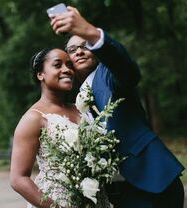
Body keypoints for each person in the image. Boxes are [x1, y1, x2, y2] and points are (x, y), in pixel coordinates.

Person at [50, 6, 185, 208]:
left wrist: (93, 34)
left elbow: (125, 67)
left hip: (151, 179)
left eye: (85, 45)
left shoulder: (109, 74)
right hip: (117, 193)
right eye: (72, 49)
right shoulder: (74, 103)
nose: (79, 50)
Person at [10, 48, 110, 208]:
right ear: (40, 74)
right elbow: (18, 179)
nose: (67, 70)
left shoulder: (81, 109)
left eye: (69, 65)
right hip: (56, 202)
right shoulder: (33, 118)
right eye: (58, 65)